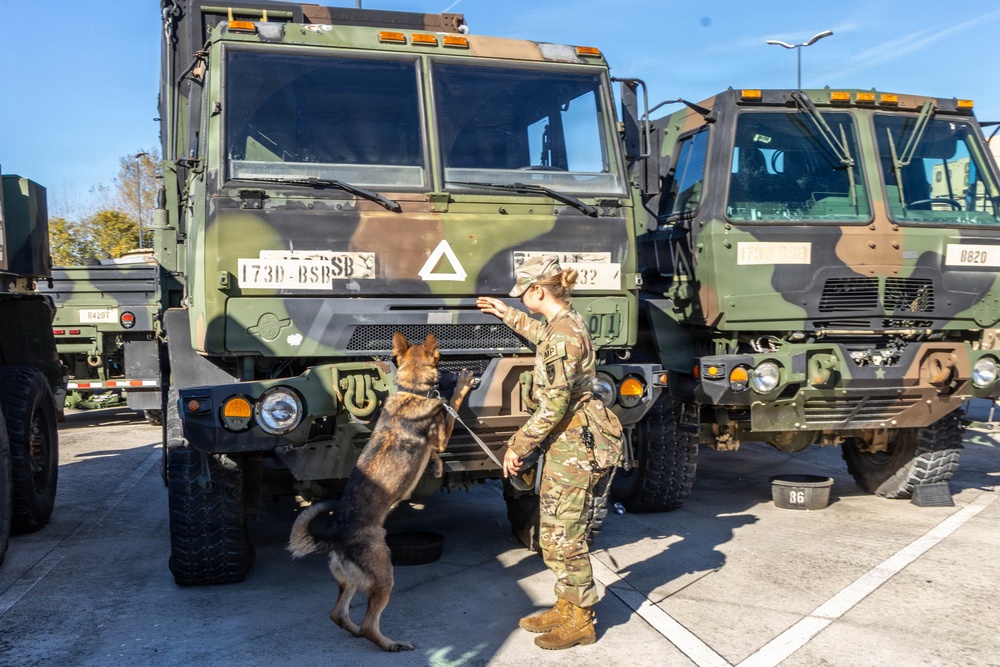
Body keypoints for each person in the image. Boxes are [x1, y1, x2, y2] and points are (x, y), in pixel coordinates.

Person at [476, 255, 604, 651]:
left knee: (565, 535)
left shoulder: (564, 334)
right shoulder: (562, 324)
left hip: (575, 445)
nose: (520, 299)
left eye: (522, 294)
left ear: (538, 290)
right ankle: (567, 605)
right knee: (553, 530)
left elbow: (555, 403)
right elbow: (545, 339)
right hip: (568, 443)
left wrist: (518, 445)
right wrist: (508, 315)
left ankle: (581, 619)